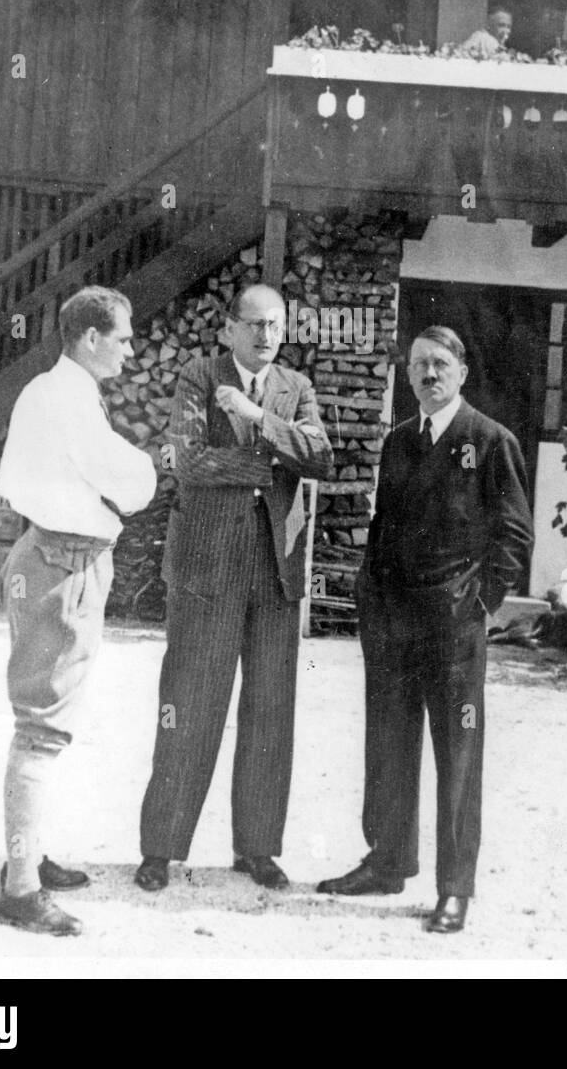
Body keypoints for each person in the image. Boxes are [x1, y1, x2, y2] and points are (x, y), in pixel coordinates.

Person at [317, 326, 534, 933]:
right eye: (418, 366)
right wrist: (368, 595)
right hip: (392, 622)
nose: (429, 375)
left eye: (440, 364)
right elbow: (384, 524)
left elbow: (514, 535)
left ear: (462, 371)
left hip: (452, 625)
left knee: (457, 756)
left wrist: (481, 605)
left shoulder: (491, 442)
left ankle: (454, 888)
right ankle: (387, 861)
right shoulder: (397, 442)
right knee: (388, 744)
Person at [136, 284, 334, 892]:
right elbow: (186, 463)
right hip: (208, 567)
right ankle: (160, 849)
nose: (267, 336)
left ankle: (257, 849)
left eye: (275, 325)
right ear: (228, 330)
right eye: (253, 325)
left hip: (275, 569)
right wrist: (273, 460)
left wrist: (255, 420)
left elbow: (322, 458)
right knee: (189, 703)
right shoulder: (199, 376)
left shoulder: (294, 388)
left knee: (271, 709)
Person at [0, 286, 157, 936]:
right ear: (90, 338)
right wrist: (140, 467)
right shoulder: (67, 401)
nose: (129, 348)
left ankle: (24, 855)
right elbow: (132, 481)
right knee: (42, 729)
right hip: (65, 565)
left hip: (44, 556)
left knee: (41, 722)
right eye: (121, 337)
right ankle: (20, 889)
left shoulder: (48, 390)